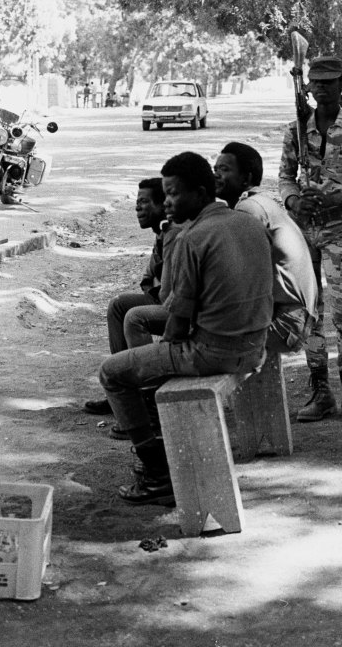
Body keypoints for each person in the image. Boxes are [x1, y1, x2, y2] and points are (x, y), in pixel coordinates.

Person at [99, 151, 274, 505]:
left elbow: (177, 318)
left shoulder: (192, 238)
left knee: (112, 373)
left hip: (214, 353)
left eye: (174, 193)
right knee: (148, 353)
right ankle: (161, 445)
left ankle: (156, 471)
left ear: (199, 191)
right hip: (255, 346)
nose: (168, 202)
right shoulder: (247, 222)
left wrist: (164, 354)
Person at [279, 54, 342, 424]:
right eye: (316, 83)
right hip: (302, 232)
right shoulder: (296, 129)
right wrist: (293, 200)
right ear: (308, 86)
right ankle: (320, 391)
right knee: (310, 312)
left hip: (338, 229)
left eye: (329, 82)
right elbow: (285, 177)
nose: (322, 89)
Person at [83, 178, 173, 425]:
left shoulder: (174, 234)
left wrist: (157, 290)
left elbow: (172, 290)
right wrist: (155, 290)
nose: (138, 209)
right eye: (136, 203)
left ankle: (146, 399)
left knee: (135, 317)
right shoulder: (161, 234)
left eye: (144, 202)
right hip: (164, 299)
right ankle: (123, 390)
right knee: (119, 306)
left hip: (181, 309)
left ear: (163, 205)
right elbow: (148, 279)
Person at [214, 141, 317, 353]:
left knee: (199, 341)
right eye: (215, 169)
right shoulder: (259, 202)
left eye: (224, 170)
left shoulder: (248, 209)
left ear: (247, 178)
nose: (216, 175)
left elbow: (243, 279)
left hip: (286, 324)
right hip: (294, 318)